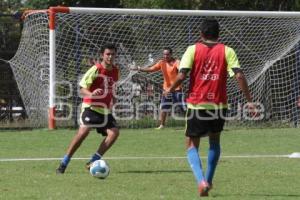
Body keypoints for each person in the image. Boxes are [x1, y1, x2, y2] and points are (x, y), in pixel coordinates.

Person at [164, 18, 255, 197]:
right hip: (219, 105)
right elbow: (239, 76)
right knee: (215, 141)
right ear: (218, 33)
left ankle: (201, 181)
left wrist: (170, 89)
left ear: (201, 34)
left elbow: (182, 75)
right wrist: (249, 100)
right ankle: (209, 180)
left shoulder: (193, 49)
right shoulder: (228, 51)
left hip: (197, 105)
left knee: (191, 144)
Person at [56, 43, 120, 174]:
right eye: (108, 54)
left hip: (105, 110)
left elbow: (113, 86)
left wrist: (114, 99)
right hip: (90, 107)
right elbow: (82, 88)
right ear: (102, 55)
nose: (110, 56)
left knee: (114, 133)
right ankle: (64, 163)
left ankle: (93, 161)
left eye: (113, 54)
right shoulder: (95, 69)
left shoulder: (115, 70)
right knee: (83, 132)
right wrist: (91, 94)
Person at [131, 47, 185, 129]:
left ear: (171, 54)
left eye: (167, 54)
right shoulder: (161, 62)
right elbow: (151, 69)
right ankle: (162, 125)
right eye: (164, 54)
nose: (165, 56)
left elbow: (182, 71)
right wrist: (139, 68)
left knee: (183, 108)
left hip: (177, 89)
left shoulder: (177, 62)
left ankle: (190, 124)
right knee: (163, 107)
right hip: (166, 90)